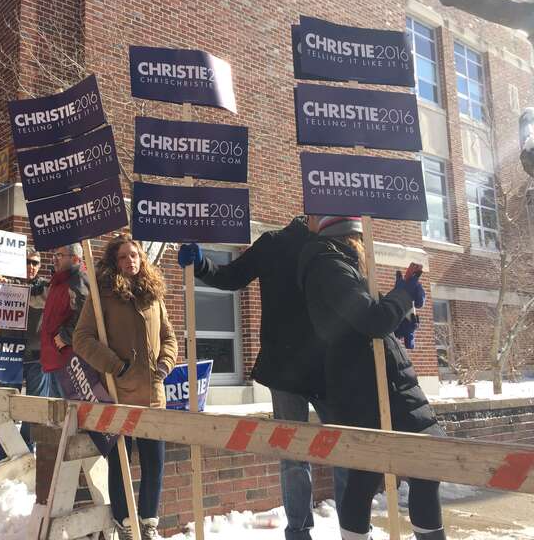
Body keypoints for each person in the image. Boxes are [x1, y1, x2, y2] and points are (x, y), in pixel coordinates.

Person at [178, 217, 346, 540]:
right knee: (294, 457)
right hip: (286, 370)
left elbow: (356, 303)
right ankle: (298, 532)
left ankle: (354, 529)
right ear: (309, 215)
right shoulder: (274, 243)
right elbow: (232, 276)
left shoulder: (336, 244)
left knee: (348, 450)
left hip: (331, 369)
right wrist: (201, 264)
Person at [297, 216, 445, 540]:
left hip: (369, 383)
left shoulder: (338, 266)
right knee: (422, 466)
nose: (365, 249)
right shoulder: (330, 266)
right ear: (352, 238)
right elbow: (371, 320)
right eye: (362, 241)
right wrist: (402, 296)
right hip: (368, 387)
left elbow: (364, 321)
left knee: (370, 474)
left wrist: (400, 318)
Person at [73, 234, 178, 540]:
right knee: (121, 463)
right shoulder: (102, 294)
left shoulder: (153, 294)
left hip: (154, 394)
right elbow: (82, 338)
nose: (130, 261)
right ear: (113, 261)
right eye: (123, 256)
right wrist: (115, 365)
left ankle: (148, 524)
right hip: (119, 393)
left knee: (154, 462)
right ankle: (125, 523)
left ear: (142, 258)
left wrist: (164, 365)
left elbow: (169, 338)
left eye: (134, 255)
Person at [0, 249, 50, 459]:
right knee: (5, 403)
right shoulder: (4, 285)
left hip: (37, 355)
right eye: (27, 262)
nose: (31, 266)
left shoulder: (45, 287)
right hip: (10, 354)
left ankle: (27, 447)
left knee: (34, 405)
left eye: (35, 263)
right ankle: (4, 450)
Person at [39, 243, 89, 397]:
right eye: (55, 255)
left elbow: (86, 316)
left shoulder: (78, 281)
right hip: (55, 359)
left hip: (70, 363)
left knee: (72, 414)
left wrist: (66, 336)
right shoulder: (58, 281)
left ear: (75, 259)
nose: (55, 259)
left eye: (60, 255)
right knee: (57, 416)